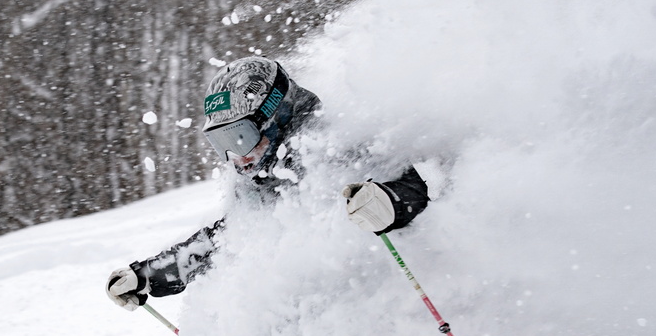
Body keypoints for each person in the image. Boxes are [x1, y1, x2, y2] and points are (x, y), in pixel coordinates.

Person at [105, 56, 430, 311]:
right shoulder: (263, 181)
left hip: (379, 317)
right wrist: (147, 276)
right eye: (222, 143)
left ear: (277, 117)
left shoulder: (337, 144)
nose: (236, 157)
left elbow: (417, 189)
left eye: (240, 136)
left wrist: (390, 203)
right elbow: (227, 239)